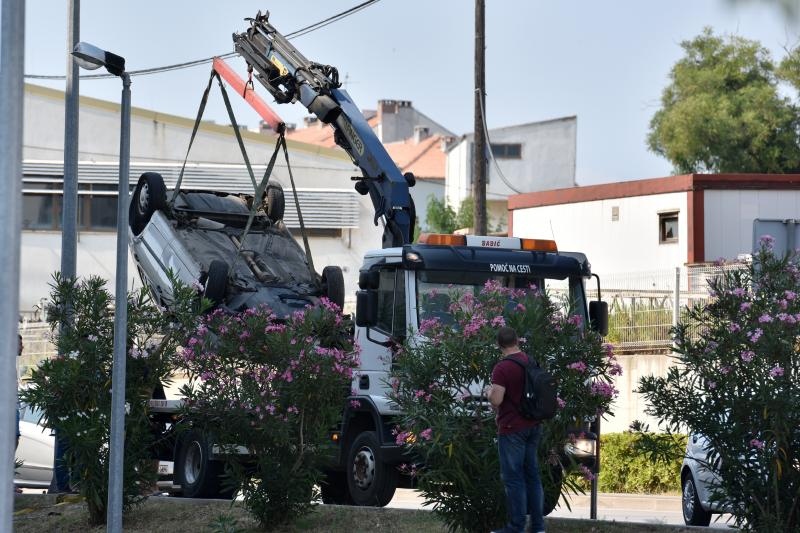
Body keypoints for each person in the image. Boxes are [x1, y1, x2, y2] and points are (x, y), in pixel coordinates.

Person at [485, 326, 545, 533]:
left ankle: (516, 527)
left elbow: (497, 399)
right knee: (533, 476)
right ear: (517, 340)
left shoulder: (502, 368)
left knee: (513, 479)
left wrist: (489, 392)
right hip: (533, 425)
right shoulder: (531, 361)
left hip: (512, 428)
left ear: (499, 344)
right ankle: (538, 527)